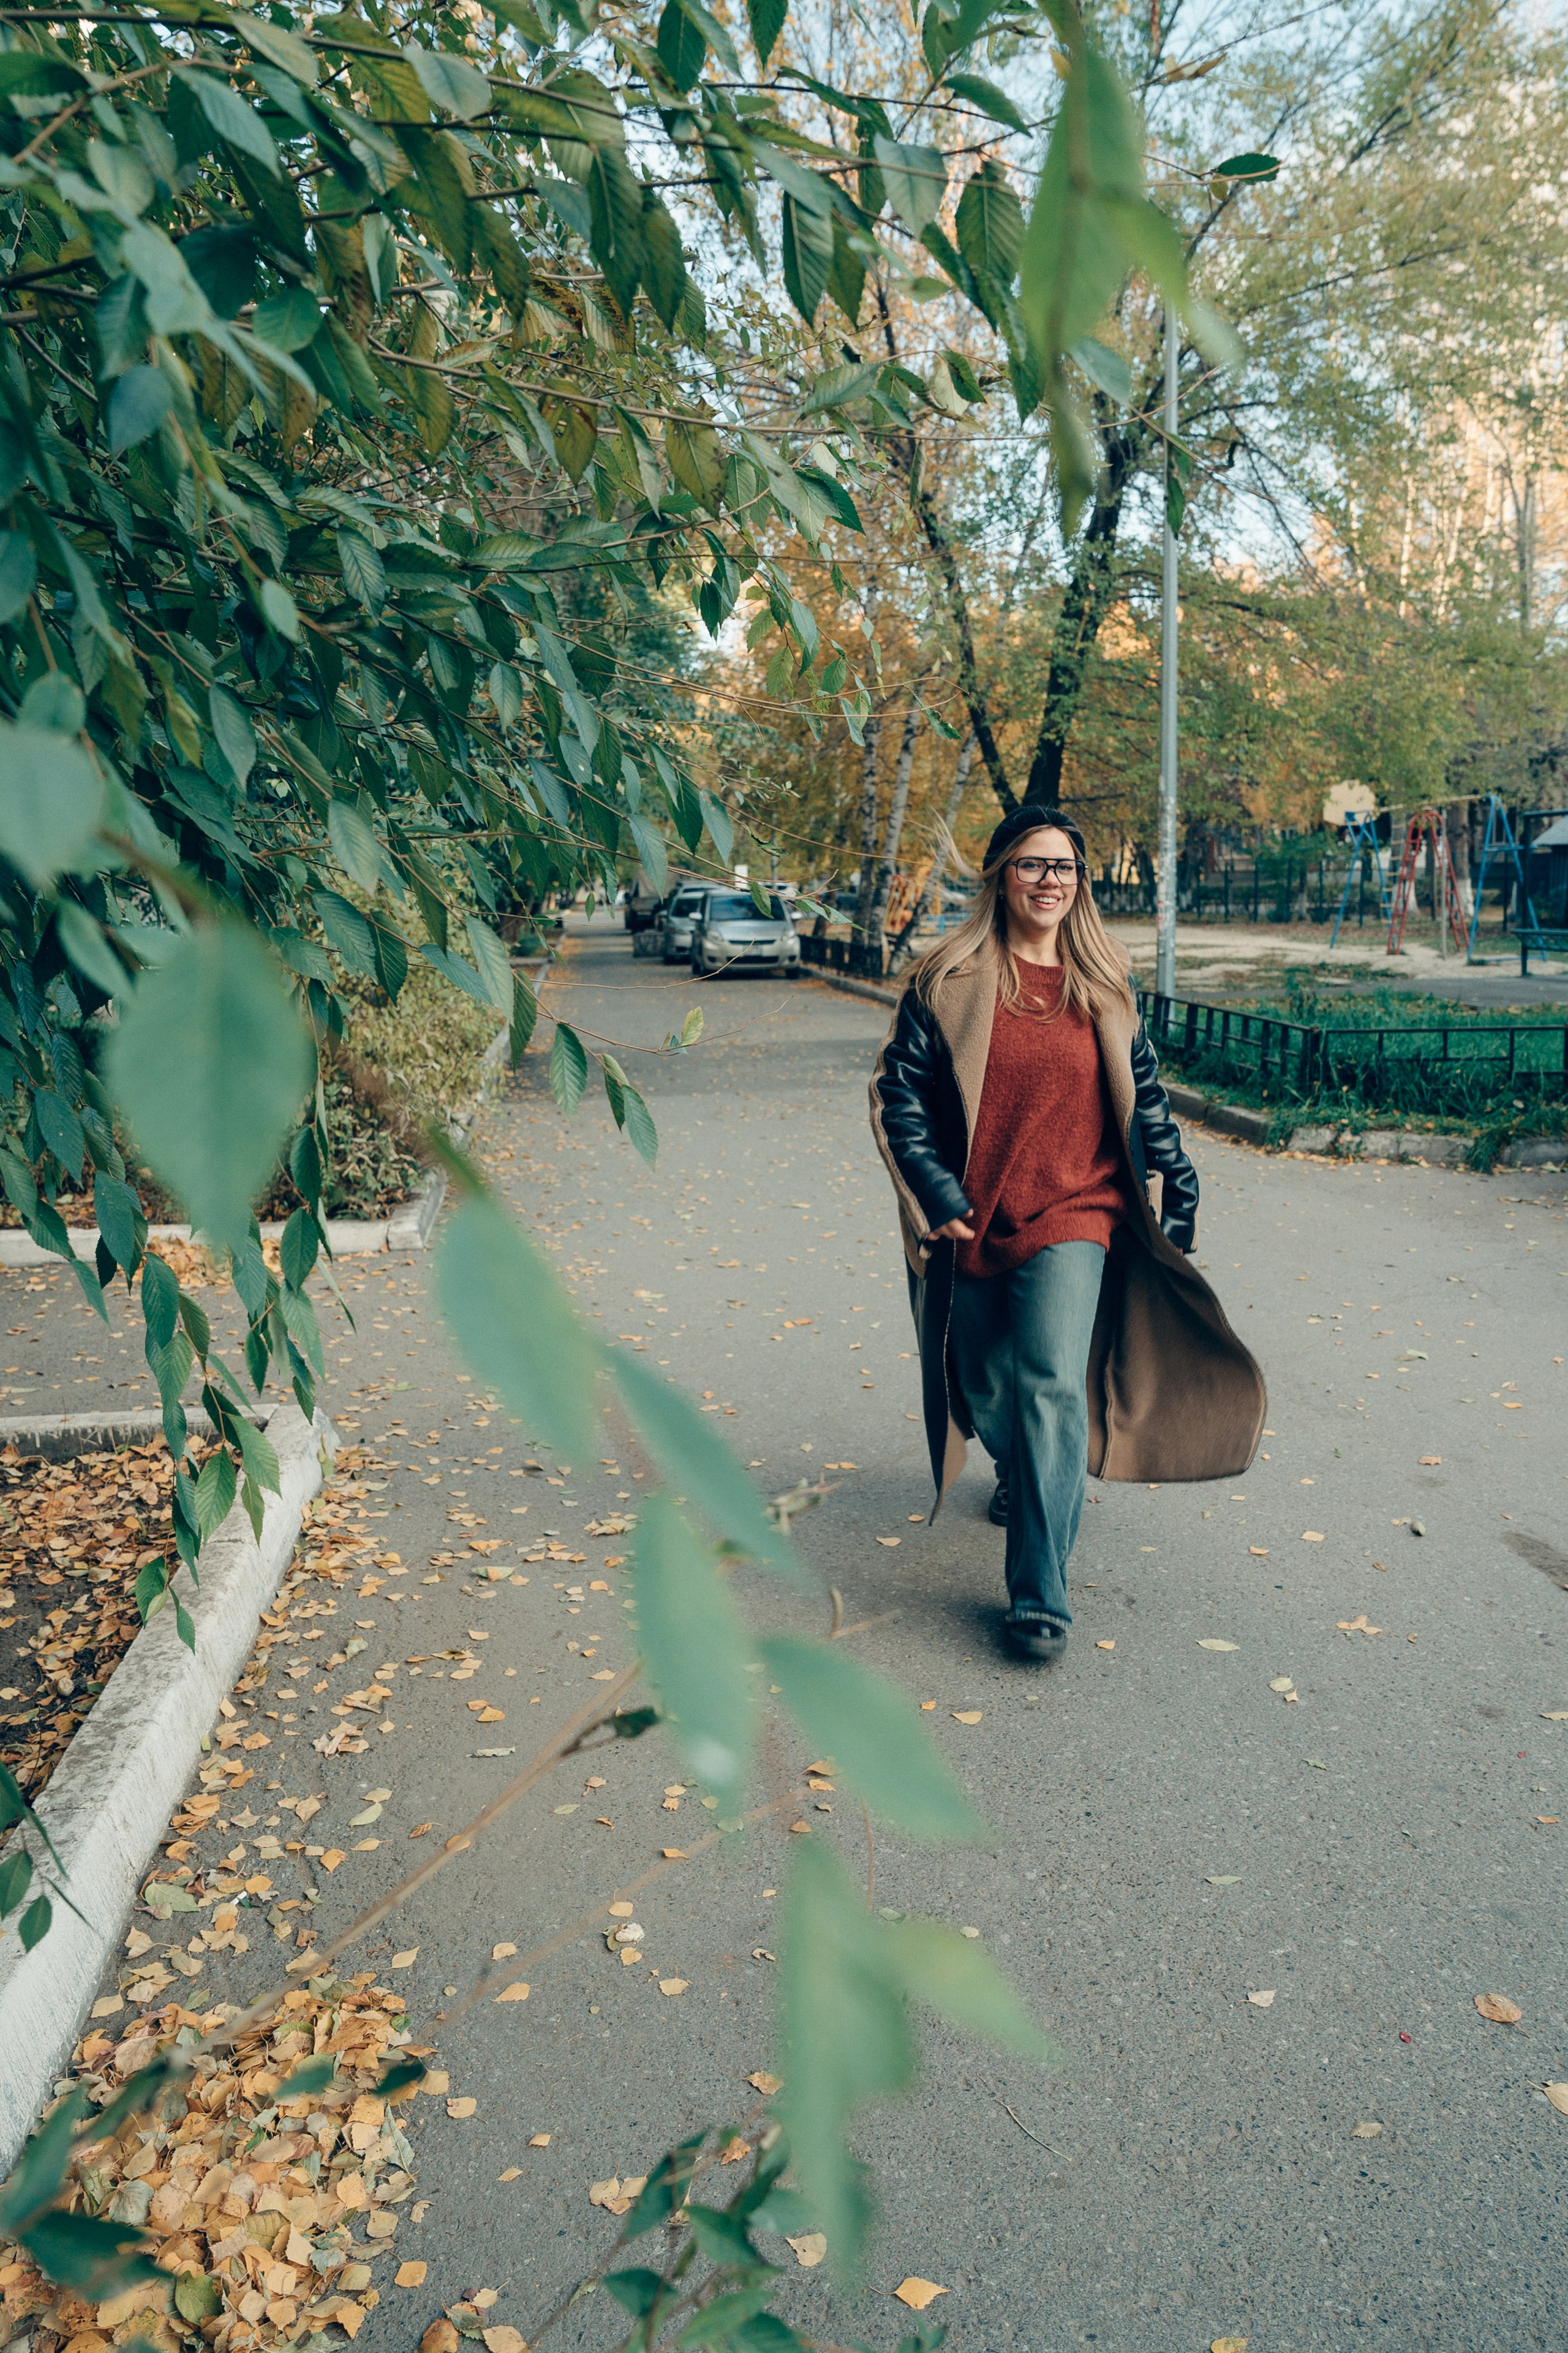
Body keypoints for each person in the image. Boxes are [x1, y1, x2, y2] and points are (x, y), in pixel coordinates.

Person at [869, 804, 1265, 1663]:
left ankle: (1039, 1592)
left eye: (1064, 868)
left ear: (1079, 883)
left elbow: (1145, 1095)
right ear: (1001, 876)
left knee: (1050, 1380)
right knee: (981, 1387)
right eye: (1032, 865)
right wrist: (934, 1192)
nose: (1050, 882)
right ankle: (1020, 1471)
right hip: (971, 1212)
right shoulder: (949, 976)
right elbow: (896, 1096)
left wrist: (1181, 1181)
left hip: (1077, 1211)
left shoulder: (1105, 981)